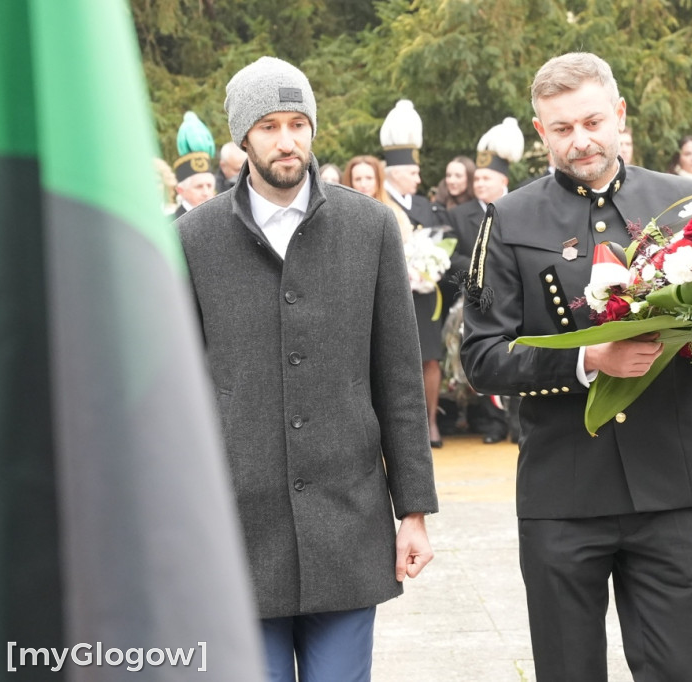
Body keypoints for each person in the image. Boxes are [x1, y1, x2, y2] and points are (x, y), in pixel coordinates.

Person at [460, 52, 692, 681]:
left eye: (592, 121)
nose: (580, 140)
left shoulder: (685, 202)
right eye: (561, 129)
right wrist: (590, 357)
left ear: (619, 114)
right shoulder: (508, 219)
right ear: (541, 133)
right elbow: (482, 357)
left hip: (669, 487)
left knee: (682, 670)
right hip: (562, 492)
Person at [175, 56, 438, 682]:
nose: (287, 141)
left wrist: (415, 512)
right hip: (238, 524)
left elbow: (399, 383)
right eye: (268, 126)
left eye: (298, 123)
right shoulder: (194, 238)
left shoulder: (369, 226)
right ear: (243, 137)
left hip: (348, 522)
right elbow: (175, 393)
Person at [448, 118, 524, 445]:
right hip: (479, 296)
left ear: (503, 179)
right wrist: (483, 269)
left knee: (521, 352)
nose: (478, 184)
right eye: (476, 178)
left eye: (485, 178)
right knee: (486, 353)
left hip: (519, 294)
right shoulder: (458, 214)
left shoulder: (522, 205)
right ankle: (493, 424)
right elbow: (451, 257)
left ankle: (520, 425)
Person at [380, 99, 447, 448]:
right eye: (413, 172)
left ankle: (431, 422)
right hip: (392, 294)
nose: (419, 177)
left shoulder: (424, 205)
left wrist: (430, 265)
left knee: (430, 358)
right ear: (393, 173)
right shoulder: (378, 200)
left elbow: (441, 239)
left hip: (424, 296)